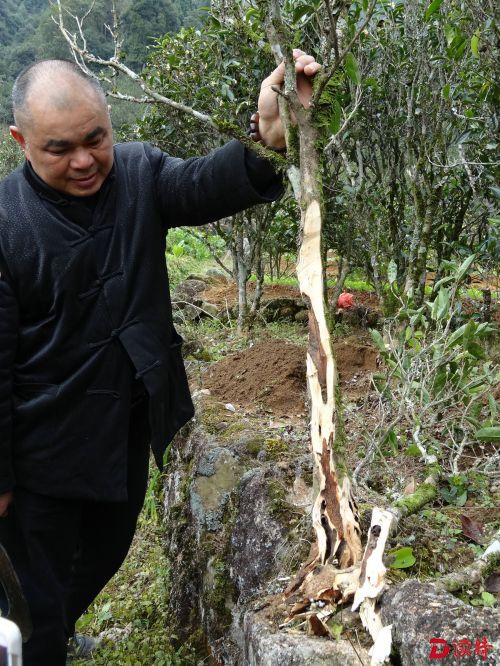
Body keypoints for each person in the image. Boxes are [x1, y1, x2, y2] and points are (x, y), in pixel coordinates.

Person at [0, 50, 319, 663]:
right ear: (21, 141)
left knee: (106, 550)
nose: (86, 160)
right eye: (60, 149)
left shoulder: (140, 175)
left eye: (97, 138)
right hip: (39, 449)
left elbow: (202, 184)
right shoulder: (8, 224)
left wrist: (268, 144)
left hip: (124, 423)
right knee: (31, 589)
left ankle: (55, 628)